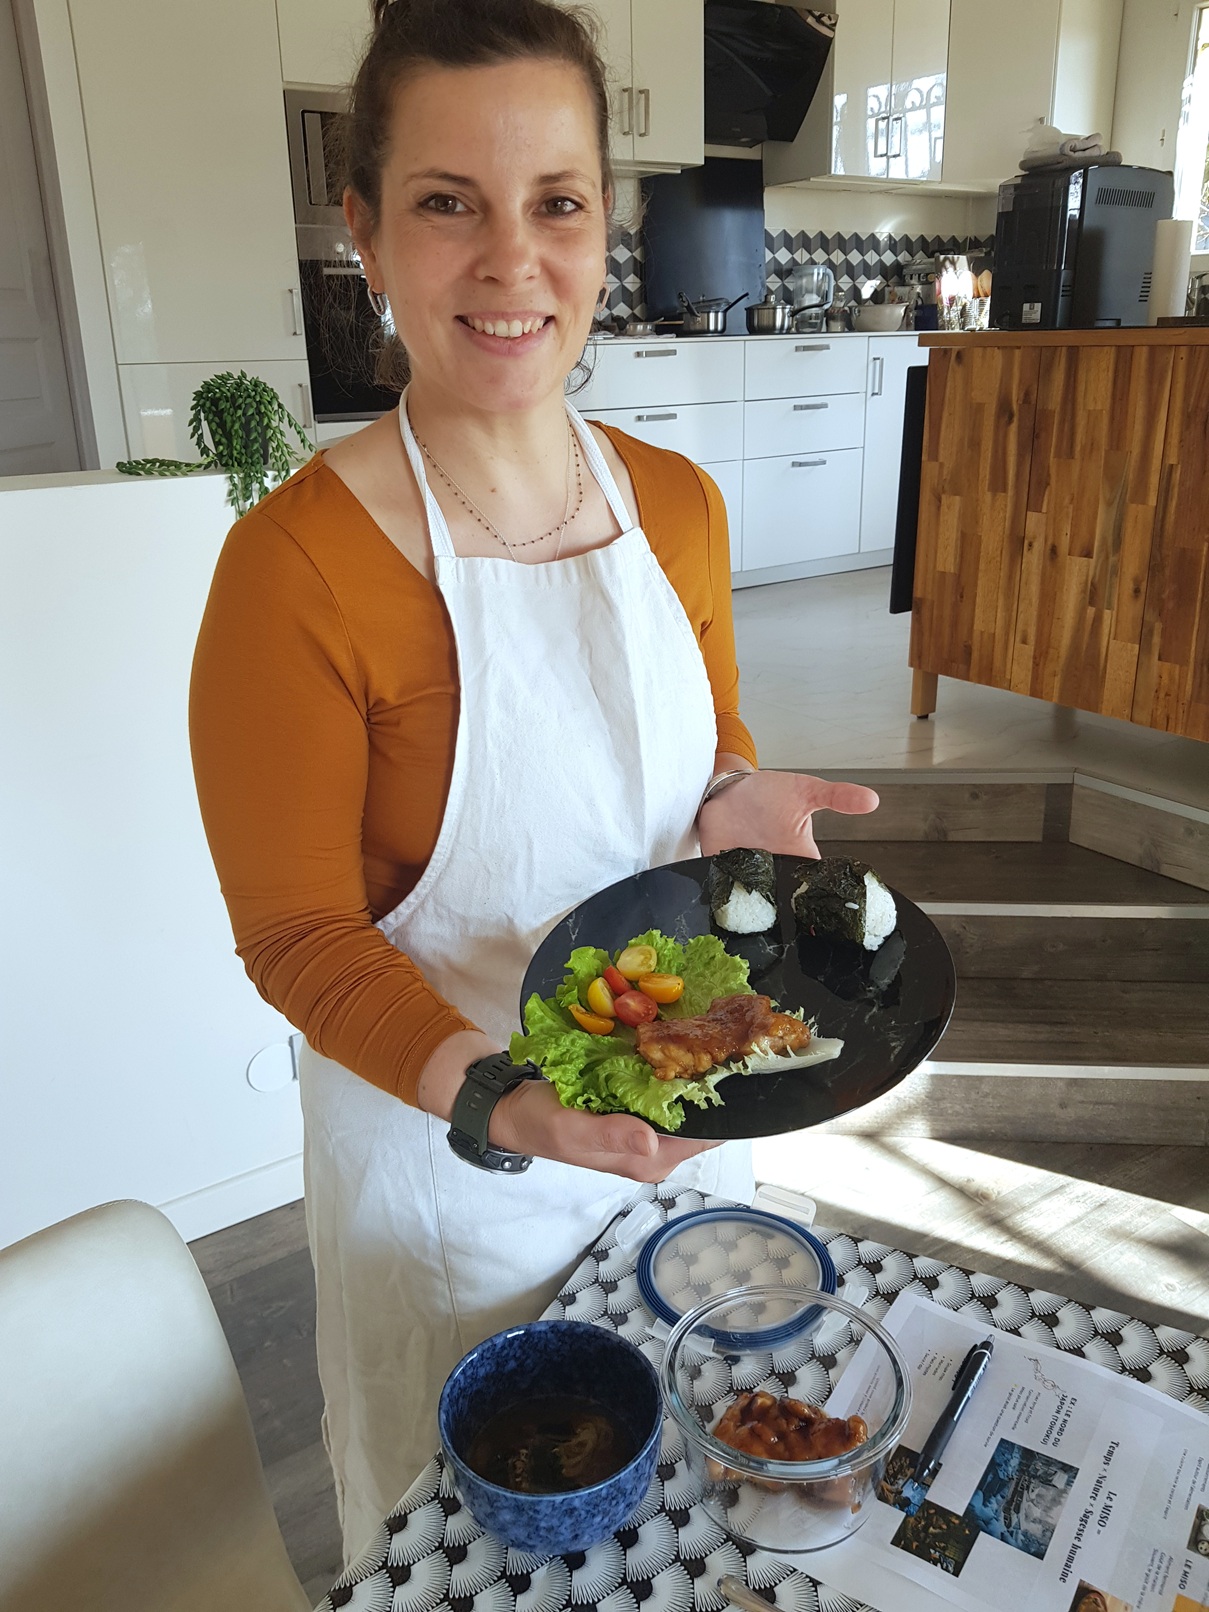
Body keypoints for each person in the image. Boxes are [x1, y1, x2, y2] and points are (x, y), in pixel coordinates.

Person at [189, 0, 878, 1563]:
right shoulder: (294, 571)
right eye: (449, 202)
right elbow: (296, 935)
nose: (512, 263)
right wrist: (501, 1101)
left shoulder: (675, 504)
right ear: (365, 228)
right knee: (496, 1553)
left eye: (555, 202)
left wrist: (731, 808)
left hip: (681, 1106)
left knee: (711, 1506)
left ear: (604, 220)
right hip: (451, 1169)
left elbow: (700, 739)